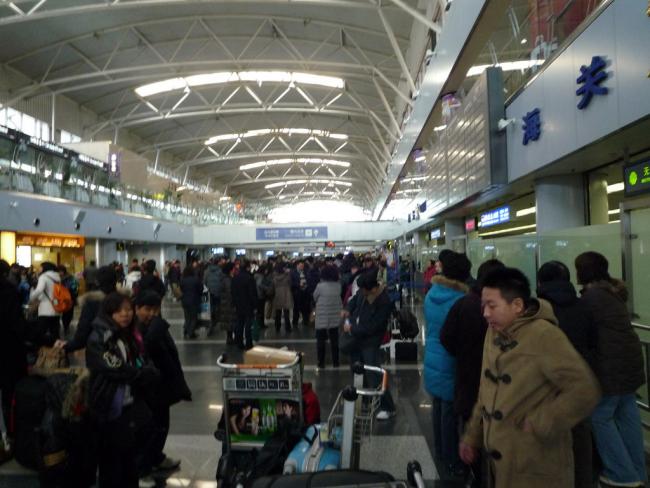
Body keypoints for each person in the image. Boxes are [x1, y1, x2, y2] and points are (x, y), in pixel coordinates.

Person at [460, 267, 601, 488]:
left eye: (492, 306)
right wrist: (472, 436)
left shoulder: (544, 335)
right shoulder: (494, 332)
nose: (485, 313)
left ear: (517, 305)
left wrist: (542, 421)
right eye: (483, 305)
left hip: (536, 463)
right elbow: (486, 389)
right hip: (501, 460)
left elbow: (584, 389)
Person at [574, 252, 647, 488]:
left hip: (610, 367)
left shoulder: (591, 298)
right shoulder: (613, 294)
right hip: (630, 363)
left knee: (600, 416)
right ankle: (638, 471)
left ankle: (621, 473)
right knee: (627, 414)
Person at [439, 258, 504, 485]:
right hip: (495, 390)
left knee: (469, 428)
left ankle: (473, 475)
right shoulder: (505, 311)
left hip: (467, 378)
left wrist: (462, 354)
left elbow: (446, 337)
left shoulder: (464, 303)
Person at [86, 292, 160, 488]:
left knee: (129, 459)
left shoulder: (127, 335)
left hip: (129, 404)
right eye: (119, 311)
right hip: (108, 405)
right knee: (111, 462)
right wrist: (140, 374)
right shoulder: (99, 337)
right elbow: (114, 367)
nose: (125, 314)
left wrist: (146, 369)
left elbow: (140, 358)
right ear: (109, 313)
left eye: (128, 310)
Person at [536, 260, 597, 488]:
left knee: (552, 444)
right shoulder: (584, 307)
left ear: (540, 282)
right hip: (579, 382)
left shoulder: (538, 312)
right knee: (580, 437)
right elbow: (593, 343)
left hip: (548, 387)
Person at [423, 251, 470, 477]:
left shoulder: (432, 293)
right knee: (449, 411)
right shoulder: (459, 299)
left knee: (439, 406)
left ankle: (440, 451)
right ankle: (451, 459)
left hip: (433, 355)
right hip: (450, 359)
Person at [135, 291, 190, 474]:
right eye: (147, 309)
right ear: (137, 309)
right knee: (151, 428)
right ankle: (143, 468)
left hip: (163, 385)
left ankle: (156, 458)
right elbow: (146, 348)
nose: (152, 313)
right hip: (149, 388)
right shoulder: (138, 330)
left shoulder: (156, 327)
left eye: (155, 309)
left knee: (162, 426)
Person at [344, 270, 396, 420]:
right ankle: (365, 400)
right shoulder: (363, 293)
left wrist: (352, 328)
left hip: (371, 342)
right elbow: (354, 300)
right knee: (357, 370)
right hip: (357, 339)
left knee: (374, 374)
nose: (361, 292)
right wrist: (347, 309)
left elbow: (373, 327)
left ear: (372, 288)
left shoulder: (384, 301)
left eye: (363, 289)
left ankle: (388, 407)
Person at [57, 266, 118, 354]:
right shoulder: (124, 300)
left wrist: (68, 346)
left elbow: (83, 331)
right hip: (121, 347)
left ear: (97, 281)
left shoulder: (92, 302)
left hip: (98, 349)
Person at [0, 260, 26, 436]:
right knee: (8, 391)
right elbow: (18, 324)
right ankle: (8, 432)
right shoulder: (8, 292)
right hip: (7, 349)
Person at [313, 264, 341, 369]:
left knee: (320, 341)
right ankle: (336, 362)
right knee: (335, 341)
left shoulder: (320, 286)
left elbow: (315, 297)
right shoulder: (338, 286)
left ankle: (321, 362)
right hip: (335, 316)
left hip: (322, 317)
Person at [29, 261, 62, 344]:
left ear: (45, 268)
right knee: (55, 333)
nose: (39, 269)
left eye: (40, 267)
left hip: (45, 309)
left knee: (40, 333)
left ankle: (39, 349)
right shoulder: (57, 277)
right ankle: (57, 349)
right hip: (56, 308)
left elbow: (39, 290)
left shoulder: (43, 277)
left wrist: (32, 297)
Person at [231, 259, 257, 350]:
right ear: (247, 267)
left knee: (239, 323)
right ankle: (248, 343)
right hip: (248, 304)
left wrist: (234, 303)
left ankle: (239, 343)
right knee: (248, 325)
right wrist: (255, 305)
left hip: (238, 304)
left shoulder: (235, 278)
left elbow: (232, 292)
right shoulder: (249, 278)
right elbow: (252, 293)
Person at [179, 265, 202, 339]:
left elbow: (180, 289)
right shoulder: (196, 279)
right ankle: (191, 333)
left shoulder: (182, 280)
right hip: (194, 301)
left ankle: (186, 331)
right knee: (193, 318)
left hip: (184, 301)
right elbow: (200, 289)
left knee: (187, 317)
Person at [203, 258, 223, 335]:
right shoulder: (220, 271)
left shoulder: (206, 271)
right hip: (218, 292)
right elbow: (222, 281)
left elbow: (204, 282)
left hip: (210, 292)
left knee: (210, 306)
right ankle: (216, 319)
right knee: (217, 306)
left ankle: (211, 320)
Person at [58, 265, 79, 337]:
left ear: (63, 271)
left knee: (68, 313)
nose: (59, 273)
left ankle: (66, 326)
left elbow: (75, 287)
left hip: (69, 298)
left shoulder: (70, 277)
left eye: (60, 271)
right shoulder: (57, 278)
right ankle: (64, 326)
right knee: (63, 313)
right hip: (61, 298)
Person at [273, 262, 293, 333]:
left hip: (277, 295)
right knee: (286, 312)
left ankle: (277, 326)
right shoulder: (287, 275)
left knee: (278, 312)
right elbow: (290, 283)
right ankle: (288, 327)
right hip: (286, 294)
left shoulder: (274, 276)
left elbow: (273, 284)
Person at [219, 263, 237, 344]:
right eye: (233, 268)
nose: (235, 270)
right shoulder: (227, 280)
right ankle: (230, 338)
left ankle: (230, 338)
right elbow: (230, 292)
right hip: (229, 304)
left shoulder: (225, 278)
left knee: (229, 321)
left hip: (225, 303)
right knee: (230, 321)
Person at [291, 261, 310, 328]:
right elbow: (291, 283)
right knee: (296, 308)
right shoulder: (293, 273)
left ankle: (305, 321)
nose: (302, 267)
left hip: (305, 292)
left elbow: (308, 280)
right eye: (301, 265)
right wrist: (298, 285)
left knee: (305, 308)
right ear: (297, 265)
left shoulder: (306, 272)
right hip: (297, 293)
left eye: (303, 266)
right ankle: (295, 322)